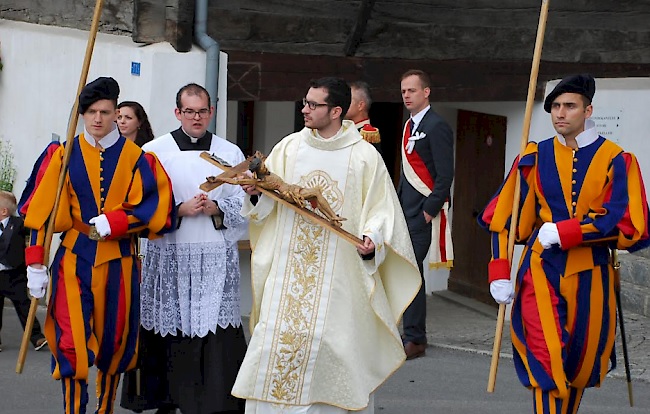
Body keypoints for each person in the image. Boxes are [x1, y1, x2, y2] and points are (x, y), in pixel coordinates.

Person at [231, 77, 421, 413]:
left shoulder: (364, 157)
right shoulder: (289, 147)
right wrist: (258, 194)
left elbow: (381, 210)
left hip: (339, 277)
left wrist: (372, 240)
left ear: (335, 111)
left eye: (313, 104)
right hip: (288, 273)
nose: (304, 109)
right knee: (274, 345)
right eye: (304, 102)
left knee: (333, 347)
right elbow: (270, 202)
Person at [478, 74, 650, 413]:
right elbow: (503, 217)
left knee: (579, 364)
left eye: (569, 106)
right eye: (555, 106)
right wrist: (499, 271)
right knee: (546, 359)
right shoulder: (534, 156)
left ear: (588, 110)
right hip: (541, 268)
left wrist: (569, 232)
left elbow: (628, 222)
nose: (560, 113)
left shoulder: (618, 159)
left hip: (592, 272)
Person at [20, 76, 176, 414]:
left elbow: (158, 210)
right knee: (70, 341)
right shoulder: (62, 154)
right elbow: (39, 212)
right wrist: (34, 262)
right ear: (82, 114)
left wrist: (117, 222)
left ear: (116, 113)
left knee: (114, 343)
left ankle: (104, 410)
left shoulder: (138, 158)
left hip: (120, 260)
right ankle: (74, 410)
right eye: (91, 112)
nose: (97, 119)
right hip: (73, 258)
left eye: (105, 112)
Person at [137, 83, 248, 414]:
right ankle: (167, 399)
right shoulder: (155, 151)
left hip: (213, 255)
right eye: (189, 111)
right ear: (177, 113)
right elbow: (141, 203)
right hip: (171, 252)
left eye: (202, 111)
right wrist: (177, 210)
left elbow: (245, 203)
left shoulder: (230, 153)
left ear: (211, 112)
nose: (196, 118)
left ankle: (215, 400)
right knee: (171, 327)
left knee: (213, 327)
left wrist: (218, 209)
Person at [397, 69, 454, 360]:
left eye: (412, 90)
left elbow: (445, 176)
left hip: (420, 216)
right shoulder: (408, 125)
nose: (407, 95)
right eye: (404, 90)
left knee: (411, 273)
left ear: (426, 92)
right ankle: (409, 333)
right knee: (406, 272)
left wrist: (428, 212)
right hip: (404, 213)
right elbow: (406, 175)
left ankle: (416, 337)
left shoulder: (437, 126)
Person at [0, 191, 47, 352]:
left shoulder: (19, 224)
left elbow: (35, 231)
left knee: (24, 306)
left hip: (15, 275)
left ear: (4, 211)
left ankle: (36, 337)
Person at [345, 80, 381, 152]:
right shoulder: (345, 129)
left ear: (360, 106)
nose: (343, 104)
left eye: (348, 101)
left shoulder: (368, 135)